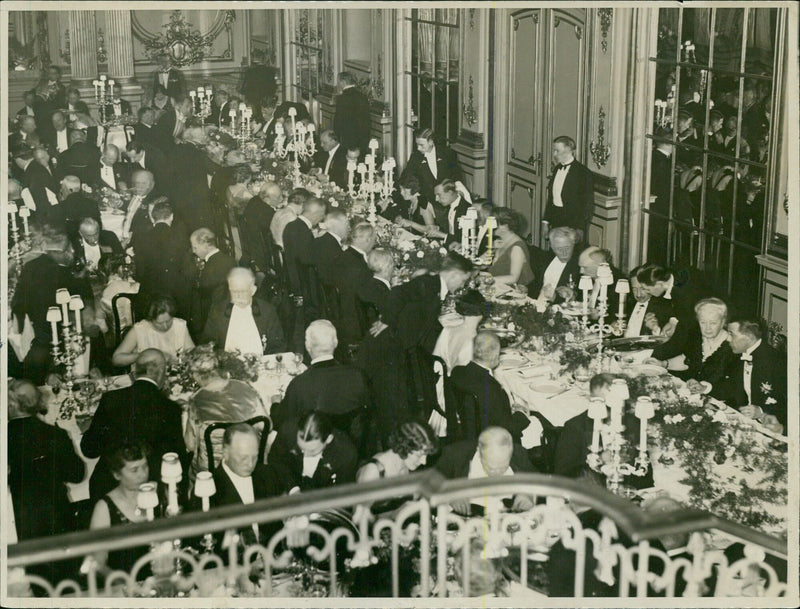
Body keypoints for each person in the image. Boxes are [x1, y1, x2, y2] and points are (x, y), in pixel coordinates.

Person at [81, 349, 187, 502]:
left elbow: (89, 450)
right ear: (161, 373)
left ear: (136, 371)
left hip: (108, 487)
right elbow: (177, 459)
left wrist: (89, 430)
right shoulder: (170, 408)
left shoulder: (111, 398)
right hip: (149, 491)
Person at [11, 232, 95, 384]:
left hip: (41, 335)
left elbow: (18, 304)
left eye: (70, 247)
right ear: (53, 253)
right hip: (62, 333)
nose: (72, 252)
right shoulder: (66, 274)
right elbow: (84, 299)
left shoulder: (30, 267)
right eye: (66, 250)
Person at [273, 320, 370, 449]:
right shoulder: (358, 376)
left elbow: (281, 423)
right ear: (335, 343)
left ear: (307, 346)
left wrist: (275, 405)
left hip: (312, 449)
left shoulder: (299, 384)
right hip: (349, 448)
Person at [8, 378, 84, 541]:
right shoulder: (56, 434)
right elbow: (77, 475)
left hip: (19, 521)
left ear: (10, 405)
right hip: (58, 516)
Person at [183, 350, 269, 479]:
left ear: (196, 376)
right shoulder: (245, 388)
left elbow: (190, 445)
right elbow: (267, 424)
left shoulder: (195, 400)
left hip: (211, 473)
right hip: (247, 463)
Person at [210, 424, 286, 547]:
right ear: (225, 453)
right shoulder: (209, 490)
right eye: (243, 458)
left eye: (254, 457)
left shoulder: (266, 474)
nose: (250, 464)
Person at [450, 331, 531, 443]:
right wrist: (522, 414)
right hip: (491, 438)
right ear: (494, 355)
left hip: (468, 428)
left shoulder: (457, 371)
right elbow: (508, 428)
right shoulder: (492, 389)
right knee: (540, 424)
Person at [88, 443, 153, 579]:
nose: (143, 474)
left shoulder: (160, 492)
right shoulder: (105, 508)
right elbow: (97, 562)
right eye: (134, 470)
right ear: (117, 475)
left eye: (145, 466)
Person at [387, 252, 474, 354]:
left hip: (412, 347)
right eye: (463, 280)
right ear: (454, 275)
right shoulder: (429, 285)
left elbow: (430, 323)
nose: (462, 285)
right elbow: (397, 292)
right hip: (405, 350)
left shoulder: (435, 285)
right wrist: (386, 320)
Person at [435, 427, 535, 514]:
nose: (497, 474)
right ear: (479, 451)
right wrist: (450, 496)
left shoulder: (519, 455)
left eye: (503, 467)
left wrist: (528, 495)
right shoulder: (454, 455)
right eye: (491, 468)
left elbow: (538, 483)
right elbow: (429, 485)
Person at [711, 319, 787, 433]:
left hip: (770, 428)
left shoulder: (777, 362)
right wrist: (706, 388)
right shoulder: (740, 354)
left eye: (731, 334)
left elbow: (788, 403)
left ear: (749, 337)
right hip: (743, 422)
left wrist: (761, 411)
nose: (727, 338)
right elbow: (731, 386)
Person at [651, 298, 735, 391]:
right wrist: (663, 364)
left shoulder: (733, 346)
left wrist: (705, 387)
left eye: (713, 323)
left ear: (723, 322)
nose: (707, 328)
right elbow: (688, 359)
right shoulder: (698, 337)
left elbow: (734, 385)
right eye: (703, 322)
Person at [202, 267, 285, 354]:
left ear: (253, 290)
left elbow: (278, 346)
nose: (238, 296)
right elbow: (207, 345)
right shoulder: (218, 311)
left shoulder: (267, 311)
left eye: (242, 291)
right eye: (234, 291)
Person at [132, 200, 193, 318]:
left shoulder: (141, 239)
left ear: (152, 217)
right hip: (176, 296)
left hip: (150, 296)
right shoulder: (180, 237)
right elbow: (188, 271)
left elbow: (139, 273)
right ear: (171, 217)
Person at [269, 412, 359, 492]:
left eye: (312, 451)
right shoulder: (287, 431)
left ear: (328, 439)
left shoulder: (346, 454)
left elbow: (341, 491)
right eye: (301, 448)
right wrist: (293, 488)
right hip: (290, 482)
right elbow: (276, 460)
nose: (305, 455)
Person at [112, 296, 194, 367]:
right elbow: (116, 359)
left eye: (168, 321)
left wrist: (187, 357)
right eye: (159, 323)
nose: (165, 326)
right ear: (150, 320)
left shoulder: (180, 325)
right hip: (147, 377)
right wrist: (144, 355)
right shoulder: (139, 329)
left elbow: (192, 353)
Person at [282, 196, 327, 321]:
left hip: (293, 276)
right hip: (304, 286)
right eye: (322, 215)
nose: (322, 218)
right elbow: (308, 261)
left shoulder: (291, 226)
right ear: (316, 214)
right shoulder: (303, 232)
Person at [334, 222, 377, 349]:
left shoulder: (344, 256)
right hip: (358, 323)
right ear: (368, 239)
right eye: (374, 239)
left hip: (344, 314)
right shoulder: (360, 267)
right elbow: (370, 297)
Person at [167, 125, 216, 232]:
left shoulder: (176, 150)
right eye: (203, 135)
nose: (205, 137)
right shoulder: (198, 152)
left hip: (179, 198)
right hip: (197, 199)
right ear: (197, 138)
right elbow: (213, 169)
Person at [543, 135, 595, 235]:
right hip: (556, 220)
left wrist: (580, 229)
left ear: (568, 150)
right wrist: (545, 222)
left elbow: (588, 204)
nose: (554, 154)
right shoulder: (557, 168)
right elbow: (551, 198)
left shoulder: (583, 173)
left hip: (573, 224)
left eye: (557, 151)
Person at [189, 228, 236, 337]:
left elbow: (204, 292)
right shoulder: (228, 260)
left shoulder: (212, 266)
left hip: (216, 317)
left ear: (205, 245)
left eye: (195, 247)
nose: (193, 251)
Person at [357, 421, 438, 482]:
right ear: (404, 446)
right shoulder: (373, 471)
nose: (424, 462)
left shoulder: (404, 464)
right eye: (419, 455)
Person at [401, 127, 463, 205]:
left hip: (447, 202)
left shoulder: (447, 154)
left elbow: (456, 176)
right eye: (417, 144)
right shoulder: (415, 157)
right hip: (427, 203)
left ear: (430, 142)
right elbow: (406, 176)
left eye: (421, 145)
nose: (418, 148)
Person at [240, 181, 282, 275]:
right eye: (278, 197)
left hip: (250, 245)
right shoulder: (268, 214)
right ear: (267, 199)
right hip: (262, 254)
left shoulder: (254, 200)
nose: (281, 199)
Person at [529, 226, 582, 301]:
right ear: (552, 247)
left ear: (573, 244)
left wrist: (555, 298)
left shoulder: (579, 265)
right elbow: (537, 284)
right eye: (559, 249)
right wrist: (525, 289)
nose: (564, 253)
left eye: (567, 248)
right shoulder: (547, 258)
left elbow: (579, 297)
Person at [489, 207, 534, 287]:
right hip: (498, 287)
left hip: (512, 292)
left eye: (491, 224)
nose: (488, 226)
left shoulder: (517, 248)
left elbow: (513, 278)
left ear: (504, 227)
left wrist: (488, 279)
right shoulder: (501, 242)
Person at [623, 267, 674, 338]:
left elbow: (667, 338)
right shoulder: (626, 303)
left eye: (643, 289)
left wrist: (656, 329)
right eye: (634, 289)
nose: (638, 294)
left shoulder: (664, 306)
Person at [333, 71, 371, 153]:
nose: (338, 85)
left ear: (343, 82)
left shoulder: (342, 98)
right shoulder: (363, 96)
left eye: (338, 82)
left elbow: (338, 122)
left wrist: (337, 138)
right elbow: (366, 121)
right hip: (362, 140)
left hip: (347, 141)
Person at [313, 208, 350, 288]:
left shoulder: (320, 240)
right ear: (338, 227)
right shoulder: (332, 247)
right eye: (347, 225)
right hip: (332, 292)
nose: (348, 229)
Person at [432, 179, 471, 245]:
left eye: (439, 195)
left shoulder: (467, 209)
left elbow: (466, 239)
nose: (436, 199)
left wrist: (443, 235)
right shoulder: (449, 208)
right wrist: (436, 228)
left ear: (450, 192)